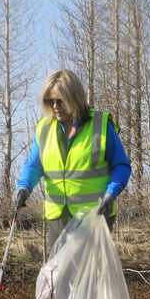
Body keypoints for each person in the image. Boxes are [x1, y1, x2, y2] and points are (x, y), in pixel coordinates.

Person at [13, 69, 131, 253]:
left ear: (74, 97)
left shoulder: (100, 126)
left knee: (90, 276)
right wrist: (24, 186)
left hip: (95, 214)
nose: (55, 107)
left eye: (60, 101)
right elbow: (34, 164)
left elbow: (121, 165)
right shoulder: (44, 129)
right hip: (57, 215)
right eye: (49, 101)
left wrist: (111, 193)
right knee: (59, 274)